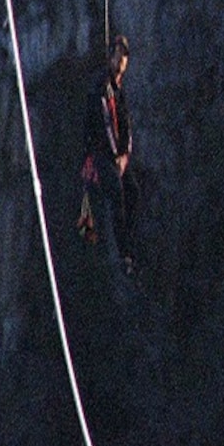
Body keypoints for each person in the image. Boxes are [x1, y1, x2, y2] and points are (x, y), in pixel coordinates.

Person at [79, 34, 140, 275]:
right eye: (117, 56)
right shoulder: (101, 87)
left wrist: (125, 154)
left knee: (133, 192)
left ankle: (129, 246)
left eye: (124, 58)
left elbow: (126, 125)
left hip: (116, 157)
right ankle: (123, 253)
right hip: (101, 154)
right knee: (116, 193)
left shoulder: (118, 88)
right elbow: (103, 123)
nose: (121, 62)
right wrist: (115, 156)